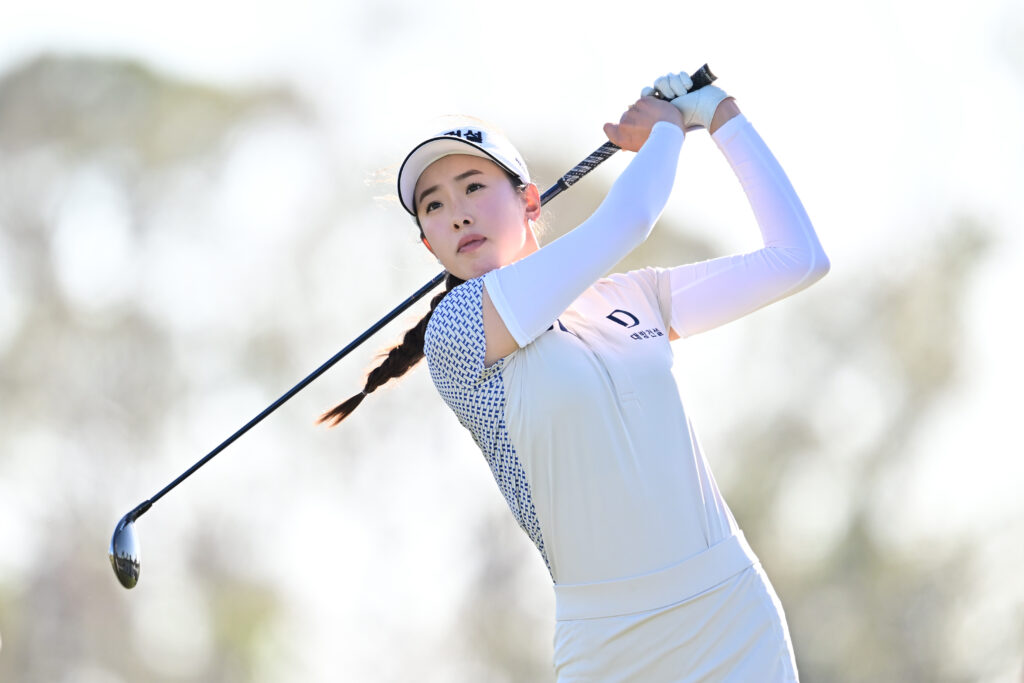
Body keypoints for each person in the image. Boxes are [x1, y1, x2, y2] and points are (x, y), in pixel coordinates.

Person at [321, 70, 830, 682]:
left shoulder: (635, 299)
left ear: (530, 202)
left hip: (731, 615)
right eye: (434, 205)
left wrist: (720, 114)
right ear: (429, 245)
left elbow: (799, 259)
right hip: (611, 647)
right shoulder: (458, 330)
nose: (457, 215)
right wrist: (667, 129)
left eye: (474, 186)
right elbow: (627, 220)